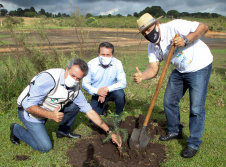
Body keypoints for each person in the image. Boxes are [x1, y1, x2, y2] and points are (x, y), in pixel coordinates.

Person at [133, 13, 212, 158]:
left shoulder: (174, 26)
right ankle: (175, 131)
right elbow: (153, 68)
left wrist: (186, 40)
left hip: (199, 66)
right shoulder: (152, 47)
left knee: (196, 107)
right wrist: (143, 76)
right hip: (180, 70)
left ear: (156, 25)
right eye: (144, 33)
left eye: (149, 30)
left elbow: (204, 27)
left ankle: (193, 143)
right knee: (169, 101)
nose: (147, 34)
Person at [10, 58, 121, 153]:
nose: (75, 80)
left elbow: (90, 112)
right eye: (73, 75)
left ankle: (63, 131)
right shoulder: (49, 79)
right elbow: (28, 106)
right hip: (29, 113)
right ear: (67, 69)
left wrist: (109, 132)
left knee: (74, 106)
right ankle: (16, 129)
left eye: (78, 79)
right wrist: (50, 115)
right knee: (45, 147)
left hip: (48, 109)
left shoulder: (75, 89)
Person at [82, 42, 127, 125]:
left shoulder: (117, 63)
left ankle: (118, 115)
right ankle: (104, 107)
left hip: (112, 91)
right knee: (93, 122)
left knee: (120, 94)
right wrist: (98, 91)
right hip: (97, 94)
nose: (105, 57)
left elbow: (123, 83)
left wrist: (106, 89)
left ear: (112, 55)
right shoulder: (91, 64)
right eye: (103, 54)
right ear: (99, 54)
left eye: (108, 55)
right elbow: (85, 84)